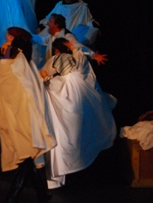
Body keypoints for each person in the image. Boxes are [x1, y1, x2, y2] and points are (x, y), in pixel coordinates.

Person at [40, 38, 117, 189]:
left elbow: (43, 76)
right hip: (81, 115)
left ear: (56, 51)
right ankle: (81, 173)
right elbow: (81, 59)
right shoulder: (80, 72)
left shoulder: (57, 82)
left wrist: (45, 78)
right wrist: (74, 49)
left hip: (64, 120)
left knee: (66, 141)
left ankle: (65, 173)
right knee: (81, 138)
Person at [0, 27, 55, 203]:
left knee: (26, 154)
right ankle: (42, 195)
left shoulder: (14, 57)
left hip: (21, 113)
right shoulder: (24, 59)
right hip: (25, 112)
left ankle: (13, 197)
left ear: (12, 38)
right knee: (32, 156)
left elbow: (7, 81)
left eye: (7, 37)